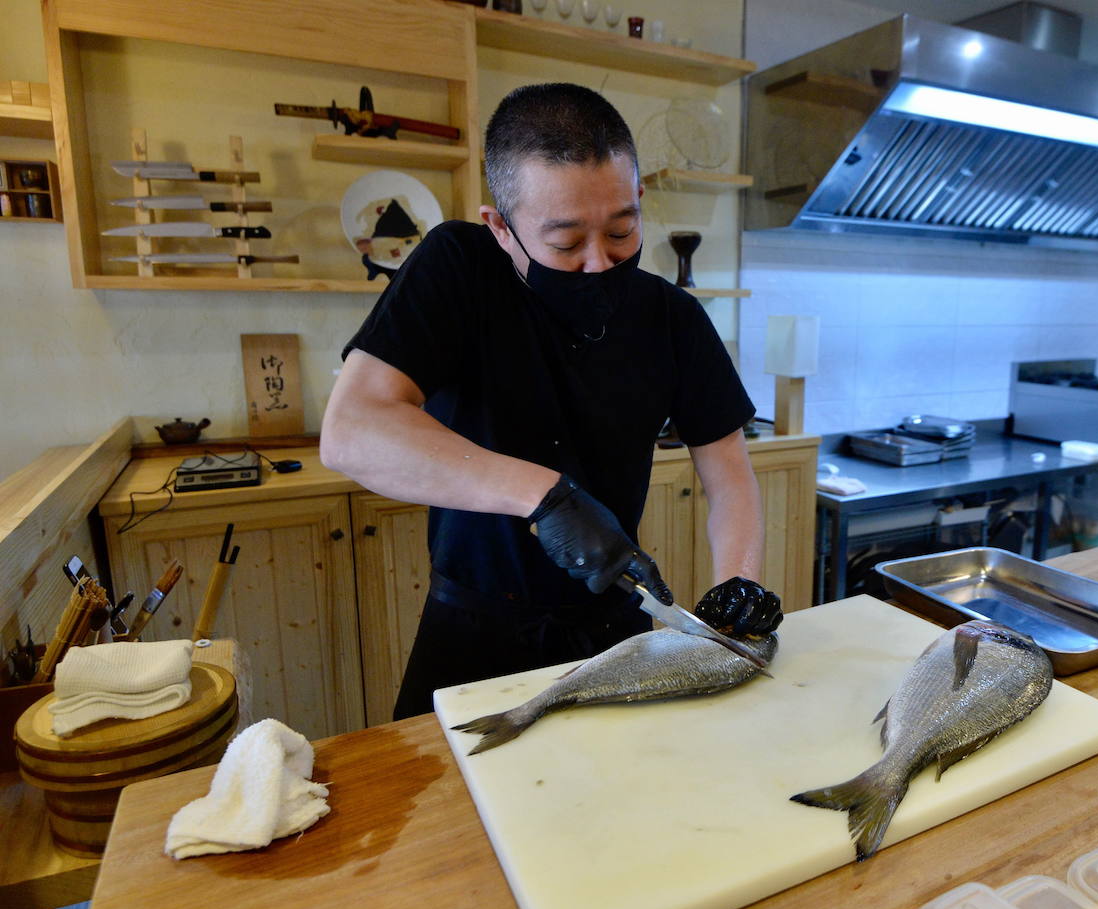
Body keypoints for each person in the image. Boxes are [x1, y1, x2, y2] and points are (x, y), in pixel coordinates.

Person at [320, 83, 784, 719]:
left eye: (622, 231)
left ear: (639, 200)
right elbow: (352, 430)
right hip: (470, 634)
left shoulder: (673, 318)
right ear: (501, 228)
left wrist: (740, 580)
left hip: (614, 633)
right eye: (566, 243)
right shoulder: (457, 268)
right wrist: (546, 497)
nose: (599, 263)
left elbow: (729, 471)